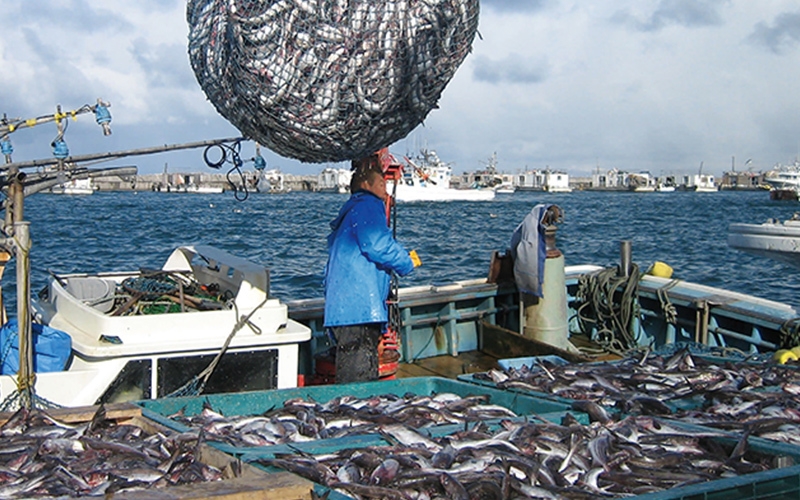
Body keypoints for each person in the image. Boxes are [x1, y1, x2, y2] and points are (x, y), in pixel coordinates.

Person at [323, 163, 420, 384]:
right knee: (358, 380)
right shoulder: (368, 205)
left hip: (342, 308)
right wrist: (406, 262)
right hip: (359, 309)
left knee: (351, 368)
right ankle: (353, 416)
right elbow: (376, 244)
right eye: (382, 184)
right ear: (366, 185)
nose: (385, 190)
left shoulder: (350, 211)